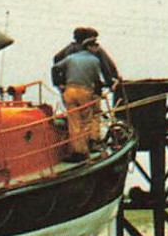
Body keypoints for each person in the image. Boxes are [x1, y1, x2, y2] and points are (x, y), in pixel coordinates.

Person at [51, 27, 120, 161]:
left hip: (69, 90)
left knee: (75, 120)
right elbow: (107, 67)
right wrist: (113, 80)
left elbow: (56, 60)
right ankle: (92, 142)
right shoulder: (95, 52)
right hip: (90, 90)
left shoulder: (69, 50)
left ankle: (78, 150)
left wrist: (60, 82)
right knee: (93, 116)